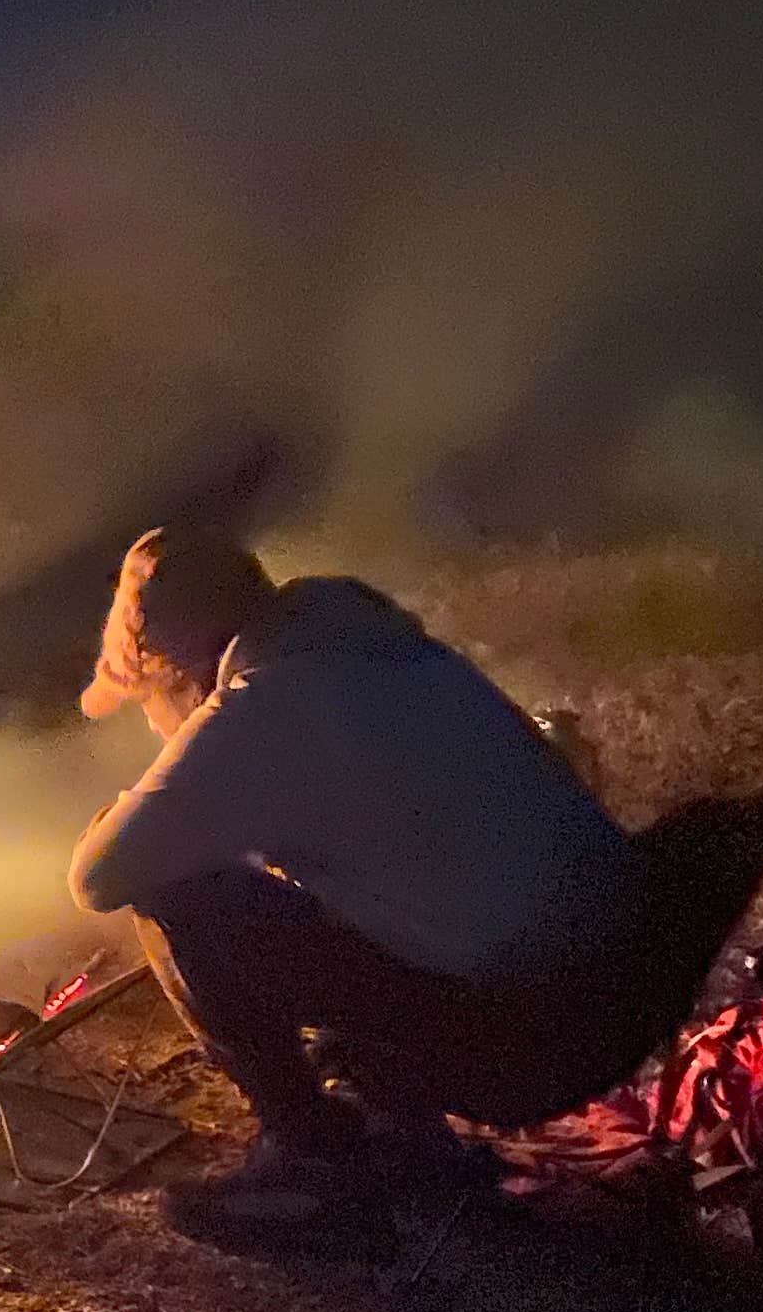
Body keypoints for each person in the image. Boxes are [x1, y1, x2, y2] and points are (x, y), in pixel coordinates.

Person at [67, 527, 639, 1250]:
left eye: (149, 695)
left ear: (177, 665)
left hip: (524, 1043)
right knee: (351, 892)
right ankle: (403, 1138)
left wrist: (151, 802)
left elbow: (98, 876)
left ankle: (314, 1167)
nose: (157, 722)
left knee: (181, 896)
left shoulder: (256, 708)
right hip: (629, 981)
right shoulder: (378, 642)